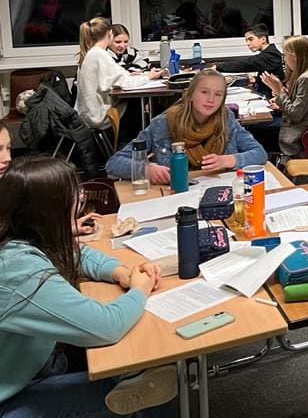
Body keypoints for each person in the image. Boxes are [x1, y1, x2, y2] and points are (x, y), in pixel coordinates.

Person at [0, 154, 176, 417]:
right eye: (75, 199)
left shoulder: (18, 234)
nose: (79, 205)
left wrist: (121, 273)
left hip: (33, 365)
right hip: (12, 395)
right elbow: (107, 326)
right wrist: (140, 289)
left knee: (136, 372)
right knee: (140, 395)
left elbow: (76, 254)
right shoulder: (19, 270)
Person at [106, 69, 266, 182]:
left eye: (218, 94)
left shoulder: (226, 119)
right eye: (204, 92)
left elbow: (259, 153)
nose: (211, 99)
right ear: (190, 95)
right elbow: (114, 163)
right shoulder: (163, 123)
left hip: (219, 192)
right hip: (173, 196)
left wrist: (230, 160)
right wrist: (146, 169)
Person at [74, 18, 163, 130]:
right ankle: (137, 139)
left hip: (88, 113)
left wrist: (143, 76)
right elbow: (126, 82)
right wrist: (148, 77)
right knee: (141, 105)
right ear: (110, 34)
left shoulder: (92, 53)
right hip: (98, 116)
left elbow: (117, 78)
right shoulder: (100, 55)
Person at [259, 35, 308, 161]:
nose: (284, 59)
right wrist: (280, 97)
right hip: (298, 125)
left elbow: (296, 114)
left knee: (257, 132)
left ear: (295, 56)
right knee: (258, 128)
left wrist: (280, 92)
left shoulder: (307, 79)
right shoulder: (301, 75)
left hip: (299, 134)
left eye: (285, 55)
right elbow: (299, 105)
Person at [216, 24, 284, 99]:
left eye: (251, 39)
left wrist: (217, 67)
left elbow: (247, 63)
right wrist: (254, 79)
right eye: (246, 40)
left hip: (273, 99)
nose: (248, 43)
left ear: (263, 39)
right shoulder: (267, 54)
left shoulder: (270, 55)